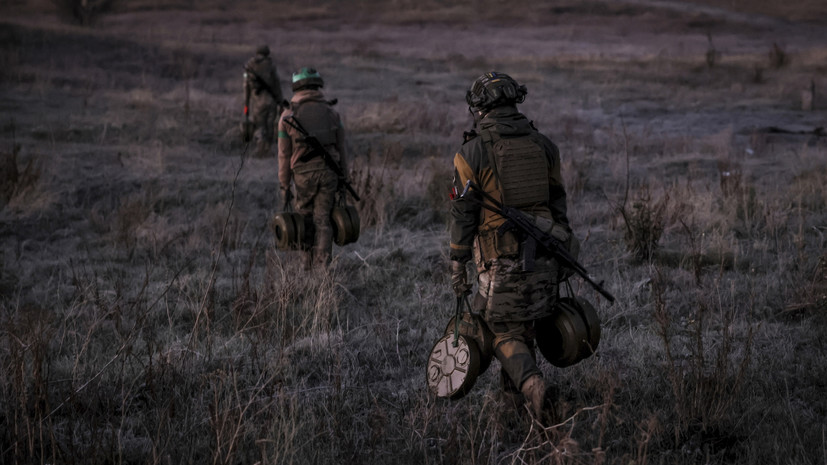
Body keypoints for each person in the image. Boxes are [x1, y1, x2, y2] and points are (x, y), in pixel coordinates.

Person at [448, 71, 573, 421]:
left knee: (499, 329)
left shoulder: (471, 152)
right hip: (547, 253)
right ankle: (514, 412)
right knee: (523, 326)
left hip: (500, 260)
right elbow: (558, 204)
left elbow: (462, 212)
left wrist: (457, 261)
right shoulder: (544, 145)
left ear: (479, 108)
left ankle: (534, 387)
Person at [278, 67, 347, 270]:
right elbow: (342, 148)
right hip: (329, 173)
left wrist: (284, 186)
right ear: (318, 86)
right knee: (323, 220)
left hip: (302, 176)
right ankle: (323, 269)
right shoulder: (333, 113)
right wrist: (345, 178)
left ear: (296, 86)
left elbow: (284, 155)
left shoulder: (287, 116)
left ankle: (305, 267)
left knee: (304, 219)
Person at [243, 45, 286, 158]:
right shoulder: (271, 65)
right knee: (270, 125)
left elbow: (246, 87)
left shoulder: (249, 66)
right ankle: (267, 148)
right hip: (271, 101)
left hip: (258, 102)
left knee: (259, 126)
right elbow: (277, 85)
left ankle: (260, 148)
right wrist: (281, 103)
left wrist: (246, 105)